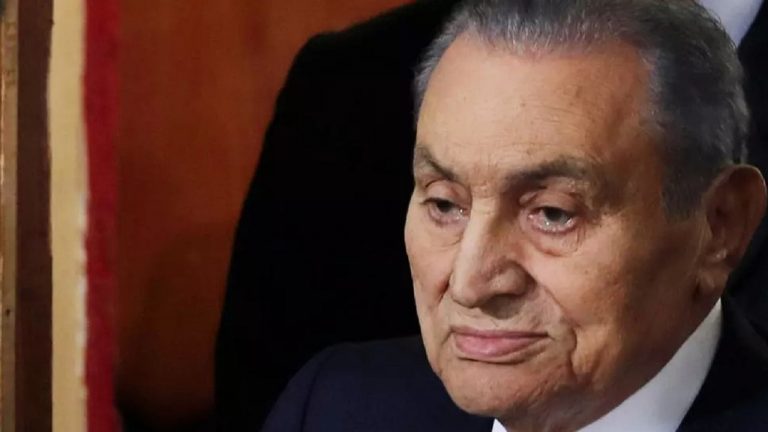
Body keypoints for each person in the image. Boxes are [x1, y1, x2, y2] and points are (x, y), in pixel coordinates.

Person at [215, 0, 768, 429]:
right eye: (444, 205)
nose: (470, 282)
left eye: (552, 214)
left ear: (720, 225)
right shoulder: (336, 408)